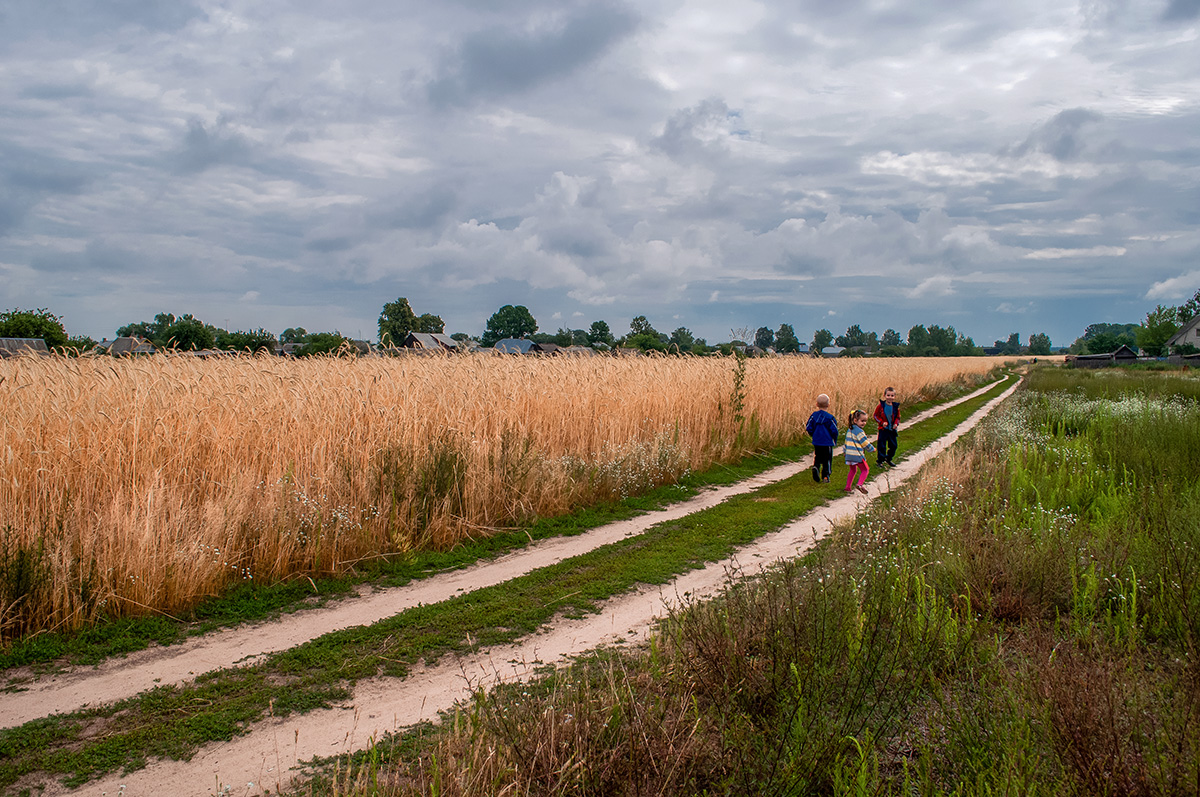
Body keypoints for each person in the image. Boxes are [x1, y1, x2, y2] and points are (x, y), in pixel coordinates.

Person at [805, 393, 838, 483]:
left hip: (817, 441)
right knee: (827, 459)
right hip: (827, 442)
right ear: (828, 405)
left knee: (818, 456)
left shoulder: (813, 416)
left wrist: (813, 434)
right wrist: (834, 439)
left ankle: (816, 467)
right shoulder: (830, 418)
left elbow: (808, 427)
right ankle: (826, 476)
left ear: (817, 404)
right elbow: (834, 430)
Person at [844, 409, 875, 494]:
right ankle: (860, 484)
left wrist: (845, 452)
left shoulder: (849, 430)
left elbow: (846, 442)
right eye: (862, 421)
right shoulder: (859, 431)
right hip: (857, 455)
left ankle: (847, 487)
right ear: (855, 420)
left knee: (853, 470)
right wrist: (872, 449)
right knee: (865, 470)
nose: (864, 423)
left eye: (865, 421)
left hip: (849, 455)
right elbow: (864, 442)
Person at [873, 386, 900, 467]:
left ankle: (888, 458)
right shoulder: (881, 406)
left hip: (891, 430)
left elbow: (898, 417)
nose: (890, 397)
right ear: (884, 395)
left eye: (892, 396)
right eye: (888, 395)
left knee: (893, 446)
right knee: (882, 445)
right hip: (883, 429)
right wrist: (881, 422)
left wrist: (896, 423)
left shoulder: (895, 407)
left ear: (894, 397)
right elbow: (875, 416)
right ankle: (880, 461)